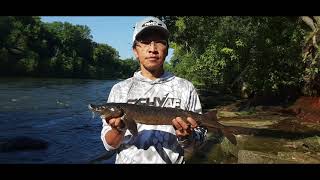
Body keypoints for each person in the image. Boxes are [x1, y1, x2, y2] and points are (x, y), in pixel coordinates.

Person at [100, 16, 208, 164]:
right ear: (135, 51)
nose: (152, 49)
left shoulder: (185, 87)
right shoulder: (120, 89)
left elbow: (198, 142)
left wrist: (187, 138)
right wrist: (118, 130)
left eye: (159, 42)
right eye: (144, 42)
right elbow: (109, 145)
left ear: (167, 50)